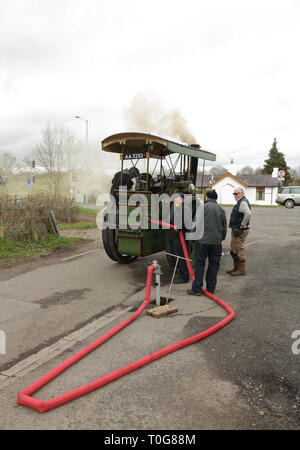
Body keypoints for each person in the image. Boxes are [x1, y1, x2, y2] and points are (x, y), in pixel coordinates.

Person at [188, 189, 227, 296]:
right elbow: (224, 228)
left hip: (202, 241)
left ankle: (197, 289)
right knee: (214, 265)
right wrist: (221, 238)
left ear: (207, 198)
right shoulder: (221, 210)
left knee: (199, 264)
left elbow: (195, 224)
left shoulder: (202, 208)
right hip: (216, 242)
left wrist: (192, 238)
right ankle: (211, 288)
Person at [227, 187, 251, 276]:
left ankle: (241, 269)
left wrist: (242, 224)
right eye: (234, 193)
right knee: (233, 249)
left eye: (236, 193)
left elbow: (248, 213)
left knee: (239, 249)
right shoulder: (241, 201)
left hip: (240, 230)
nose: (235, 195)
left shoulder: (243, 202)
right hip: (237, 229)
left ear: (242, 193)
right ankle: (236, 267)